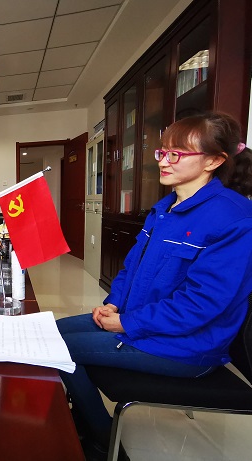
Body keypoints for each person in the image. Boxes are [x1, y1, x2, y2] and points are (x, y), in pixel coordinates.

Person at [57, 112, 252, 461]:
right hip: (144, 322)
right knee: (54, 332)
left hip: (186, 346)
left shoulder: (233, 218)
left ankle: (100, 437)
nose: (163, 161)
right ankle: (81, 420)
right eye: (163, 152)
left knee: (59, 349)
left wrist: (127, 323)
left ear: (213, 161)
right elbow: (132, 268)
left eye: (177, 154)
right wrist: (114, 303)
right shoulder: (164, 209)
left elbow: (201, 304)